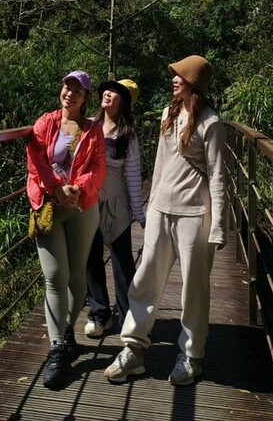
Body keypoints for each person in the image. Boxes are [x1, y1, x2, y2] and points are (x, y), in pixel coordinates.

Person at [104, 55, 227, 387]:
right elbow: (160, 165)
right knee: (145, 279)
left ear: (194, 84)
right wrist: (149, 205)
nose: (173, 80)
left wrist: (218, 226)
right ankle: (133, 349)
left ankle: (192, 355)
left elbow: (217, 177)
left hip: (195, 215)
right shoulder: (168, 114)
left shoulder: (210, 123)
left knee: (194, 290)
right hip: (161, 209)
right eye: (174, 75)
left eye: (180, 77)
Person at [26, 70, 106, 389]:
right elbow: (35, 160)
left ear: (85, 98)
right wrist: (58, 188)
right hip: (49, 205)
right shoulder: (45, 122)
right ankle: (57, 349)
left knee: (76, 276)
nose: (69, 93)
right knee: (55, 277)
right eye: (66, 87)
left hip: (82, 207)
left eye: (77, 90)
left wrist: (77, 189)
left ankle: (68, 329)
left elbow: (98, 167)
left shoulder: (92, 130)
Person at [84, 78, 146, 337]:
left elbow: (132, 174)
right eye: (107, 91)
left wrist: (138, 212)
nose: (108, 95)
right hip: (88, 200)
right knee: (91, 258)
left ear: (124, 103)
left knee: (122, 262)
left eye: (115, 93)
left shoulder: (127, 134)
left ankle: (127, 316)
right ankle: (99, 314)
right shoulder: (88, 125)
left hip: (116, 203)